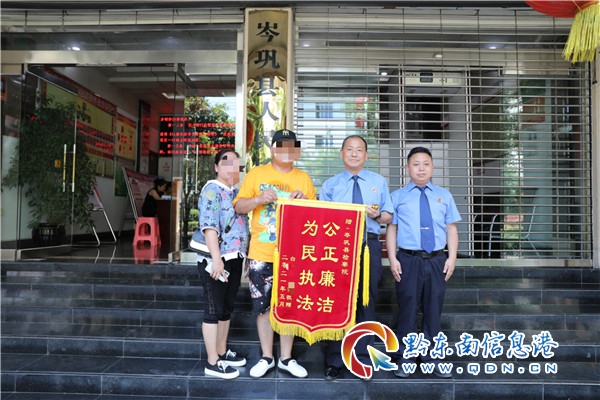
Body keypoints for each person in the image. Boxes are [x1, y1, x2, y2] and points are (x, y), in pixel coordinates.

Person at [233, 129, 316, 379]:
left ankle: (286, 358)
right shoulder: (257, 173)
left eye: (292, 147)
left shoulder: (304, 179)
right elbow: (239, 207)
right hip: (262, 253)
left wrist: (305, 202)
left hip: (295, 255)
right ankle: (267, 357)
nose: (287, 151)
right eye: (282, 146)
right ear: (272, 150)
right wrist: (258, 199)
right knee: (262, 307)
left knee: (289, 305)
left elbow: (316, 219)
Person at [319, 135, 393, 381]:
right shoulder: (330, 185)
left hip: (369, 246)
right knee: (336, 302)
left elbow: (388, 216)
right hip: (337, 248)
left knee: (366, 301)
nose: (354, 153)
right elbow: (320, 220)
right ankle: (334, 361)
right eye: (349, 149)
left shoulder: (378, 182)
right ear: (341, 154)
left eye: (359, 150)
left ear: (366, 155)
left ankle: (361, 358)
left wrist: (376, 215)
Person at [385, 146, 461, 379]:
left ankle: (433, 358)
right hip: (408, 260)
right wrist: (392, 258)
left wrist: (451, 258)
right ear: (407, 167)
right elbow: (391, 229)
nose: (421, 168)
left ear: (432, 167)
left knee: (433, 310)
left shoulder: (444, 195)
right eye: (416, 164)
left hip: (437, 260)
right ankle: (405, 358)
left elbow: (451, 228)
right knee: (407, 310)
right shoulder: (397, 197)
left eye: (426, 164)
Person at [198, 149, 250, 379]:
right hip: (216, 260)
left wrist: (245, 255)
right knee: (213, 309)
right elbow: (210, 227)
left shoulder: (237, 192)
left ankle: (221, 351)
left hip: (235, 258)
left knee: (226, 307)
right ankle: (212, 362)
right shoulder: (212, 189)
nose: (232, 168)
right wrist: (217, 259)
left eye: (236, 164)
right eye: (226, 162)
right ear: (217, 167)